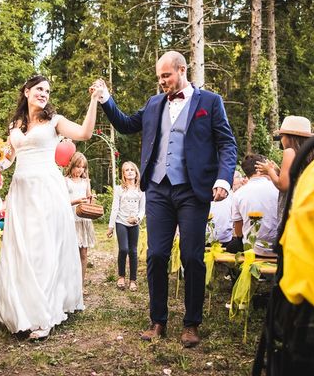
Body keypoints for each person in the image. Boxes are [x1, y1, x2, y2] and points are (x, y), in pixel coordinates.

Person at [95, 50, 237, 347]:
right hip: (158, 189)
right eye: (159, 77)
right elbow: (125, 124)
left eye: (166, 76)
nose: (162, 82)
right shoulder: (154, 103)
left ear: (182, 70)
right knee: (157, 255)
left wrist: (223, 178)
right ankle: (158, 320)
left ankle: (191, 323)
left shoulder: (210, 102)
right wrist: (106, 99)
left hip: (192, 190)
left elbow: (226, 143)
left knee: (191, 256)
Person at [0, 75, 103, 340]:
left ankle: (43, 313)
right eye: (39, 89)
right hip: (21, 191)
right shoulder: (15, 125)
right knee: (23, 247)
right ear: (27, 91)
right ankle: (23, 305)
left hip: (46, 189)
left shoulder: (55, 122)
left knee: (43, 247)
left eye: (48, 91)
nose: (44, 94)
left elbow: (85, 134)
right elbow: (9, 158)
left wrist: (94, 101)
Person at [256, 115, 314, 221]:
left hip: (291, 209)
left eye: (282, 136)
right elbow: (294, 179)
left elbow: (283, 186)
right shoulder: (310, 153)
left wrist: (269, 171)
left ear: (289, 137)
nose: (281, 140)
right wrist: (277, 171)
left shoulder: (289, 151)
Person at [227, 155, 279, 256]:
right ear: (261, 168)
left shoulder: (238, 194)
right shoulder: (278, 188)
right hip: (279, 248)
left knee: (232, 247)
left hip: (252, 249)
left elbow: (238, 231)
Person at [107, 160, 145, 292]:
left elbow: (142, 209)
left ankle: (133, 280)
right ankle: (121, 276)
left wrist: (137, 218)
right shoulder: (119, 189)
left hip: (134, 223)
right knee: (123, 249)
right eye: (126, 170)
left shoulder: (141, 190)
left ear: (136, 173)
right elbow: (114, 208)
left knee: (133, 251)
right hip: (121, 222)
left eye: (132, 170)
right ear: (123, 174)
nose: (129, 172)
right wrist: (111, 227)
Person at [64, 151, 96, 290]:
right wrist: (76, 201)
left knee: (83, 253)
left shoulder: (85, 182)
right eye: (78, 166)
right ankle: (70, 283)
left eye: (83, 167)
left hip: (84, 220)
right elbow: (62, 201)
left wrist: (91, 199)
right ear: (72, 165)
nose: (80, 170)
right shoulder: (65, 181)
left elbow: (88, 198)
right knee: (71, 253)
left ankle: (80, 285)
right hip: (71, 219)